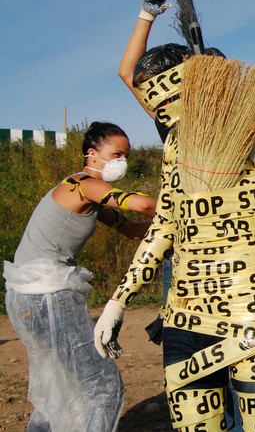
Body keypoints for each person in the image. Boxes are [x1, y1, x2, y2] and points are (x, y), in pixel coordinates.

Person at [94, 55, 255, 431]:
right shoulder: (176, 143)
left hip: (252, 315)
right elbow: (164, 226)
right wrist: (118, 299)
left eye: (161, 96)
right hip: (184, 317)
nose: (158, 110)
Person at [3, 121, 156, 431]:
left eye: (125, 155)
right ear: (92, 153)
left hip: (27, 296)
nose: (121, 162)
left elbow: (133, 230)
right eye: (116, 154)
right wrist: (193, 206)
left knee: (56, 388)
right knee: (103, 388)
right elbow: (143, 205)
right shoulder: (85, 185)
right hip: (48, 296)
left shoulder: (92, 199)